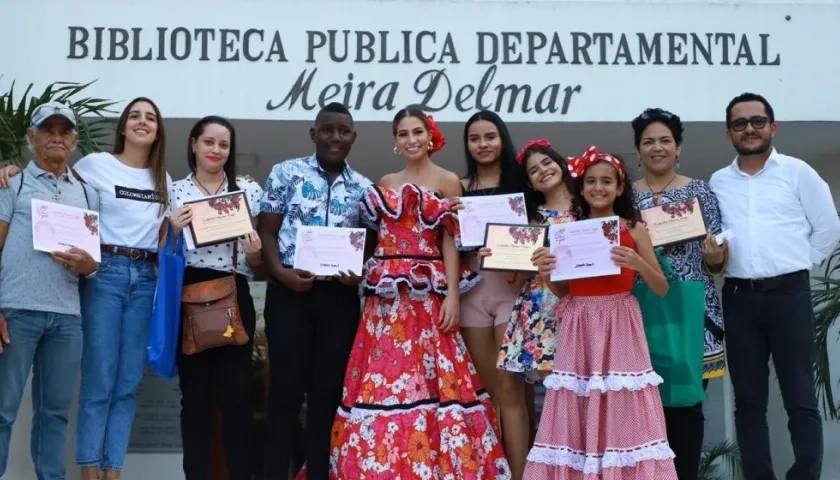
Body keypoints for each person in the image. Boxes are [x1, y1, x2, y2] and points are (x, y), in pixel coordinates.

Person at [320, 107, 510, 479]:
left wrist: (453, 295)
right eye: (403, 133)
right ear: (395, 141)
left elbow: (451, 241)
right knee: (382, 380)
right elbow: (373, 240)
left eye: (417, 132)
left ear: (430, 136)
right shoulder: (385, 181)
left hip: (428, 294)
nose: (411, 140)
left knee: (435, 379)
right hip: (386, 299)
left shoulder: (448, 180)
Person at [0, 97, 172, 480]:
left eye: (151, 118)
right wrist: (8, 169)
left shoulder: (146, 183)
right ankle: (90, 471)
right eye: (134, 116)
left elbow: (158, 237)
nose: (56, 138)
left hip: (115, 291)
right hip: (63, 290)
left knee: (103, 394)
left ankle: (104, 471)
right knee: (82, 384)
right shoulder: (67, 172)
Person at [710, 92, 840, 480]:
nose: (749, 128)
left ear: (772, 126)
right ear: (729, 132)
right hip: (738, 298)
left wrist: (797, 263)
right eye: (739, 123)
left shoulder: (798, 172)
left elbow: (828, 228)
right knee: (748, 402)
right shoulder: (718, 181)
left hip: (790, 296)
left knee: (800, 397)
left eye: (757, 121)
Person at [526, 146, 677, 479]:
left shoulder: (633, 228)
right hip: (579, 322)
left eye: (606, 181)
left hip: (620, 321)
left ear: (620, 187)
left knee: (620, 398)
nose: (598, 188)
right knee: (579, 397)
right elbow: (565, 291)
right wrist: (547, 273)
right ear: (581, 187)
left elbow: (662, 287)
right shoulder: (569, 230)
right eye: (591, 181)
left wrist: (637, 263)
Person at [258, 102, 373, 480]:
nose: (335, 137)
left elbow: (371, 247)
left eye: (343, 131)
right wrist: (280, 272)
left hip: (338, 300)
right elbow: (267, 231)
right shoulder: (285, 172)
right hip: (290, 293)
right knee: (285, 392)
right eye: (327, 130)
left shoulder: (365, 189)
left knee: (327, 395)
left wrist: (357, 275)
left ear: (353, 138)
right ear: (313, 134)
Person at [0, 102, 98, 480]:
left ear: (74, 140)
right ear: (32, 137)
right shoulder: (12, 183)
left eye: (64, 131)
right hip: (16, 311)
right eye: (47, 130)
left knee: (55, 413)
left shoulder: (88, 195)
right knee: (3, 410)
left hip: (67, 318)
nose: (56, 137)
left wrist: (89, 266)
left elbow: (93, 263)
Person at [631, 108, 727, 479]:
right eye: (648, 142)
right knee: (642, 405)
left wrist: (716, 256)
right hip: (638, 312)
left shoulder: (700, 191)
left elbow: (717, 259)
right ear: (638, 151)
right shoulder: (625, 195)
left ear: (679, 147)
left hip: (691, 313)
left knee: (686, 407)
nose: (657, 148)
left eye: (665, 141)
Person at [167, 116, 264, 479]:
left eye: (223, 145)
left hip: (234, 290)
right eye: (209, 142)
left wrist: (254, 251)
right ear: (193, 144)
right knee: (194, 400)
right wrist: (172, 231)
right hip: (190, 292)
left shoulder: (249, 191)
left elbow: (259, 260)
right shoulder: (175, 191)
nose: (216, 150)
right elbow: (165, 254)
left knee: (237, 397)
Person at [453, 111, 531, 478]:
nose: (483, 145)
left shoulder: (523, 186)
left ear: (502, 139)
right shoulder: (458, 187)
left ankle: (519, 473)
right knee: (486, 392)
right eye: (475, 138)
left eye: (490, 136)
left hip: (512, 293)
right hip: (472, 295)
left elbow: (540, 236)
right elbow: (449, 246)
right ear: (467, 144)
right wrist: (469, 253)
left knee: (511, 391)